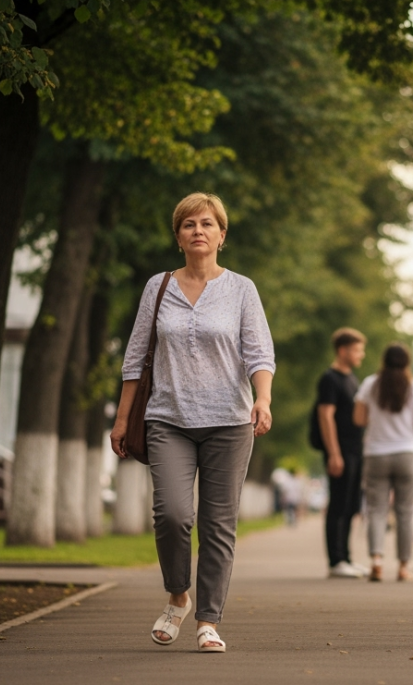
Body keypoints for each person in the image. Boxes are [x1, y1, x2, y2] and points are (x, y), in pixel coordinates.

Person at [111, 192, 275, 653]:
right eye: (188, 224)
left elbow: (259, 352)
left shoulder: (241, 289)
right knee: (173, 514)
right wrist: (123, 420)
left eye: (207, 224)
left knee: (218, 524)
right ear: (178, 236)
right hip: (168, 417)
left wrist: (262, 399)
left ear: (222, 235)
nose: (198, 231)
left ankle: (208, 620)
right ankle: (177, 597)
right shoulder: (157, 287)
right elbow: (135, 358)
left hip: (228, 421)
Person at [353, 344, 413, 582]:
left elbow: (358, 418)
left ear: (384, 361)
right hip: (407, 454)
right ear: (407, 362)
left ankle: (376, 562)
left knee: (376, 510)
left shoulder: (370, 384)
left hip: (376, 453)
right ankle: (403, 567)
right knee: (406, 512)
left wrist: (376, 419)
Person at [314, 328, 368, 578]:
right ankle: (335, 561)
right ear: (343, 350)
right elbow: (325, 415)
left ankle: (346, 558)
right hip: (341, 451)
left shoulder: (352, 378)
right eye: (357, 350)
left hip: (356, 451)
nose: (362, 355)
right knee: (338, 504)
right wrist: (334, 453)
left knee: (351, 505)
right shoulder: (330, 378)